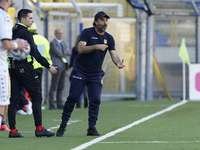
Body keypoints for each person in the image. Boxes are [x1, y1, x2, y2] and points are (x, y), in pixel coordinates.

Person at [56, 11, 125, 137]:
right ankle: (63, 124)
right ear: (96, 21)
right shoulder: (87, 32)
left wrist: (118, 63)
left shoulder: (109, 38)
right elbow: (80, 48)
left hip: (96, 74)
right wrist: (96, 46)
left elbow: (113, 54)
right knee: (73, 98)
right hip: (80, 71)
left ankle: (91, 128)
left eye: (106, 21)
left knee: (96, 100)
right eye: (102, 20)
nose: (105, 23)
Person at [8, 9, 57, 138]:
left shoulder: (11, 31)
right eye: (30, 18)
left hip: (12, 68)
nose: (33, 20)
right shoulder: (26, 32)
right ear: (23, 19)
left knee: (13, 100)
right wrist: (49, 66)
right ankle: (39, 129)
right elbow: (34, 52)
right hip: (26, 68)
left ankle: (12, 131)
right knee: (36, 97)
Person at [0, 0, 29, 131]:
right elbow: (6, 44)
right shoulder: (4, 16)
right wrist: (18, 45)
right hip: (1, 66)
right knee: (3, 101)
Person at [17, 23, 52, 115]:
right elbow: (47, 52)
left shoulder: (26, 39)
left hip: (30, 66)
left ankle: (24, 106)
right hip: (41, 66)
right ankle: (36, 105)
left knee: (24, 88)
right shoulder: (44, 39)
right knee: (37, 88)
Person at [48, 28, 71, 110]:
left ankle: (59, 103)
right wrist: (64, 52)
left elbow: (69, 52)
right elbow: (58, 53)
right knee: (54, 85)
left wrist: (63, 52)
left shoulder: (63, 43)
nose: (60, 35)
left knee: (61, 86)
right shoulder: (53, 43)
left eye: (61, 33)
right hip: (56, 66)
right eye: (59, 33)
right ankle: (51, 104)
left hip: (64, 65)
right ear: (55, 34)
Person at [66, 34, 88, 108]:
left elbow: (72, 61)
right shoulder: (87, 49)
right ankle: (86, 98)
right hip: (86, 69)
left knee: (77, 87)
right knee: (85, 87)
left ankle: (78, 104)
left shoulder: (75, 49)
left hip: (77, 70)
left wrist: (69, 71)